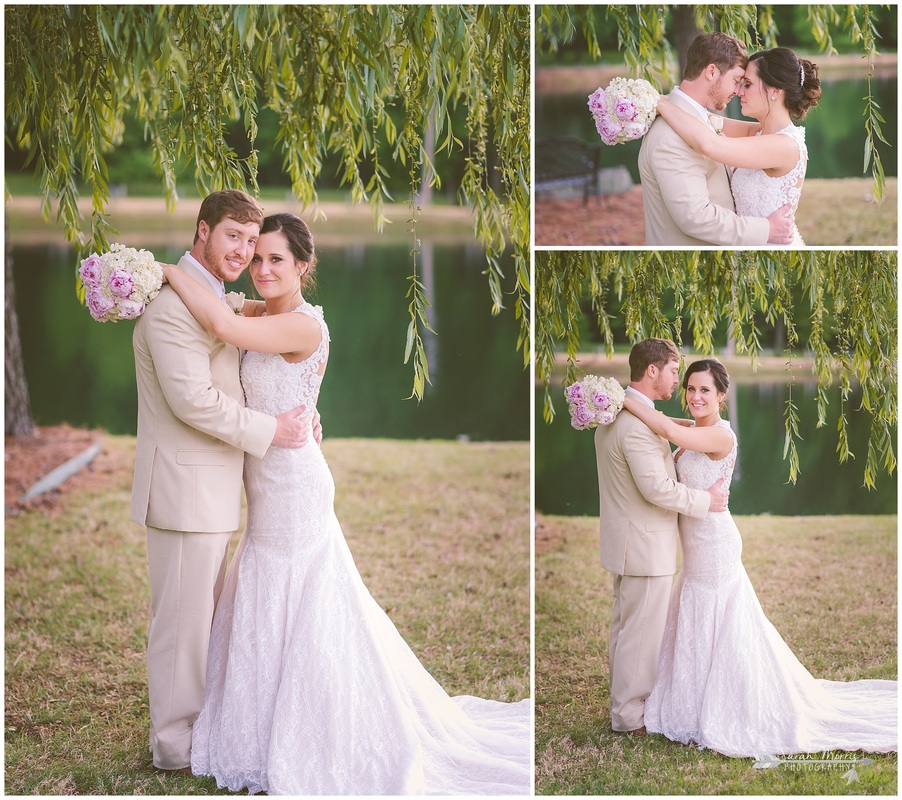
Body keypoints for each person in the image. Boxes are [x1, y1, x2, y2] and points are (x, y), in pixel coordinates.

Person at [161, 212, 531, 795]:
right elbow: (228, 312)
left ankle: (318, 724)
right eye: (256, 256)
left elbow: (218, 321)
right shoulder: (265, 312)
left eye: (276, 259)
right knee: (270, 594)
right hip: (269, 479)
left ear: (304, 267)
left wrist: (159, 269)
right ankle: (259, 722)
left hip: (294, 484)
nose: (261, 268)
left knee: (303, 600)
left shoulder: (302, 326)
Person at [622, 358, 897, 756]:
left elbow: (662, 425)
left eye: (705, 390)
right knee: (698, 614)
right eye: (691, 388)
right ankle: (692, 696)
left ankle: (730, 702)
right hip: (695, 546)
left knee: (722, 620)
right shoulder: (693, 430)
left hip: (715, 544)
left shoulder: (720, 436)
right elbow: (667, 422)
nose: (696, 396)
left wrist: (619, 398)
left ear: (721, 395)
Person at [131, 190, 317, 774]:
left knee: (204, 623)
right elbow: (194, 402)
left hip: (223, 491)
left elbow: (239, 333)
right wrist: (274, 427)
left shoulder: (221, 302)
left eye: (255, 243)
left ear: (300, 267)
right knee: (182, 629)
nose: (246, 254)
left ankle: (204, 728)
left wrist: (302, 405)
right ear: (203, 230)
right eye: (234, 237)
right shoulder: (170, 308)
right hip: (186, 492)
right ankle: (174, 745)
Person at [594, 338, 729, 736]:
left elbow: (673, 429)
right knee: (638, 636)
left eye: (700, 387)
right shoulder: (635, 426)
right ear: (652, 371)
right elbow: (657, 489)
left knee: (625, 629)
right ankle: (629, 716)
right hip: (644, 544)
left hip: (629, 541)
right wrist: (706, 499)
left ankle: (623, 706)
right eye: (675, 373)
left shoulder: (619, 415)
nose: (680, 384)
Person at [638, 32, 796, 246]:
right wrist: (766, 229)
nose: (738, 91)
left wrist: (664, 103)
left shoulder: (691, 121)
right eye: (737, 80)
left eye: (746, 84)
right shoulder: (671, 135)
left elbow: (721, 137)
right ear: (712, 71)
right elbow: (695, 218)